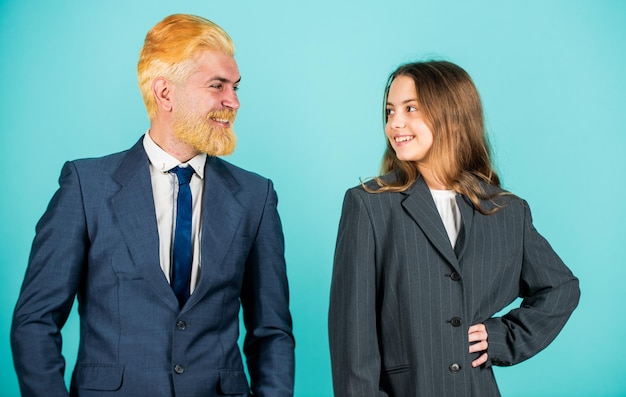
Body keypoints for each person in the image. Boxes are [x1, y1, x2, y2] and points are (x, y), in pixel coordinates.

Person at [11, 14, 295, 397]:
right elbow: (35, 322)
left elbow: (272, 332)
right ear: (165, 94)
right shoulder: (86, 187)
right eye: (218, 86)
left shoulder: (255, 196)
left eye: (236, 87)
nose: (234, 102)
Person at [328, 60, 580, 396]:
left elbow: (561, 288)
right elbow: (352, 336)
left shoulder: (505, 211)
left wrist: (504, 337)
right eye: (390, 111)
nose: (395, 123)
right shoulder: (369, 205)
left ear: (453, 115)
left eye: (410, 108)